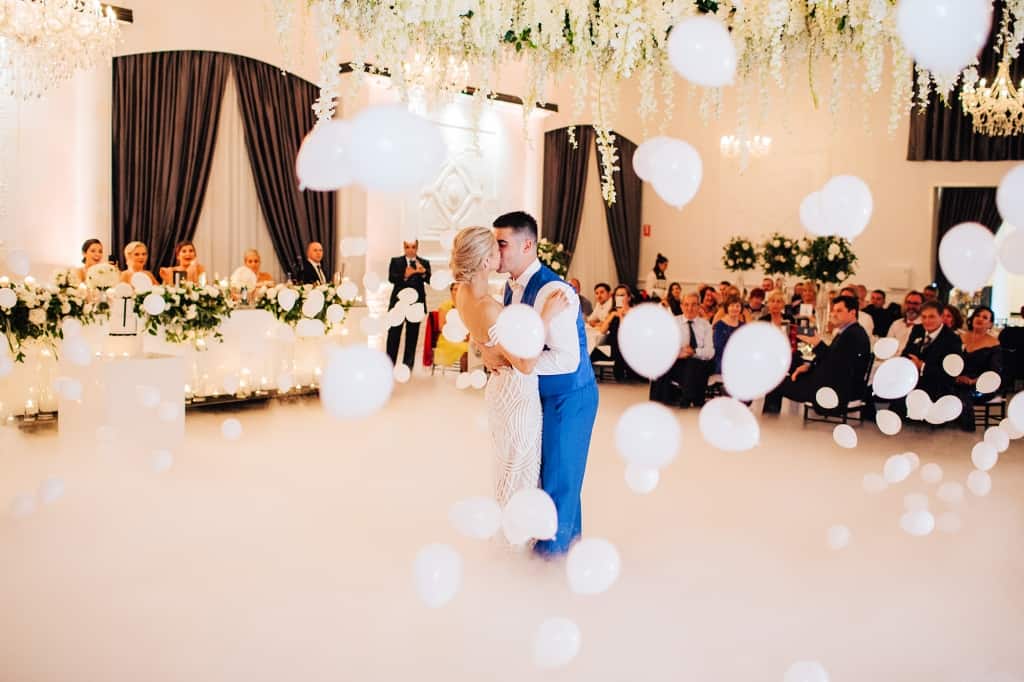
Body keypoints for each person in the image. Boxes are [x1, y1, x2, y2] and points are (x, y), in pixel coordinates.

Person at [482, 211, 599, 557]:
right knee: (547, 473)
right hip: (538, 396)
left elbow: (568, 360)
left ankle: (552, 557)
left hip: (569, 396)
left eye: (502, 244)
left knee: (561, 479)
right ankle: (565, 543)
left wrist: (515, 363)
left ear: (527, 244)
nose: (496, 252)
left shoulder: (554, 290)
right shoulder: (510, 287)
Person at [450, 226, 568, 513]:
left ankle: (509, 535)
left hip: (498, 389)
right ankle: (515, 541)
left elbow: (477, 332)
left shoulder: (460, 292)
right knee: (519, 472)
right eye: (495, 250)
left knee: (507, 467)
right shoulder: (489, 307)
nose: (501, 254)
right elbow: (525, 363)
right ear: (485, 262)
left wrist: (485, 347)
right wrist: (546, 316)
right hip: (516, 394)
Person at [763, 295, 871, 414]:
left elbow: (838, 365)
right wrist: (809, 367)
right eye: (833, 311)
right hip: (828, 383)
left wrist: (817, 344)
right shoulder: (849, 332)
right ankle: (770, 419)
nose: (833, 314)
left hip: (833, 391)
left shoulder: (853, 335)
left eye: (839, 311)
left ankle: (769, 421)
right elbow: (833, 359)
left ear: (852, 313)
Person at [896, 301, 963, 413]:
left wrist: (922, 366)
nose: (927, 321)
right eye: (924, 317)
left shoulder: (952, 339)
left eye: (932, 317)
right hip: (914, 380)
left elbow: (950, 373)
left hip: (937, 385)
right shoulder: (917, 330)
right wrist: (911, 363)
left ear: (941, 317)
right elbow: (906, 353)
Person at [650, 293, 715, 407]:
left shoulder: (705, 325)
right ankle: (660, 400)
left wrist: (694, 352)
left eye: (694, 305)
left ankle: (686, 398)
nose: (689, 308)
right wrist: (677, 354)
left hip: (700, 362)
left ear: (699, 306)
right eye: (686, 305)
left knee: (692, 363)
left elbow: (710, 352)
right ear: (681, 306)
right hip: (677, 360)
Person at [386, 240, 432, 371]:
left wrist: (423, 272)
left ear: (417, 248)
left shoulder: (424, 262)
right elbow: (391, 278)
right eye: (407, 247)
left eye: (413, 247)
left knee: (412, 338)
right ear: (403, 247)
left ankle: (407, 368)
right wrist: (405, 275)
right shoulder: (396, 261)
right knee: (393, 336)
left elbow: (429, 279)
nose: (410, 250)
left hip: (416, 306)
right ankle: (389, 367)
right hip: (398, 305)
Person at [956, 306, 1002, 432]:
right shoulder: (960, 337)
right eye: (977, 315)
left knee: (964, 393)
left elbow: (994, 372)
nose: (980, 319)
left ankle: (967, 429)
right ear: (972, 319)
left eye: (985, 317)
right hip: (958, 379)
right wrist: (957, 377)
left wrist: (972, 381)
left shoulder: (994, 344)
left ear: (990, 324)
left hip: (981, 384)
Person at [593, 285, 641, 382]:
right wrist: (612, 315)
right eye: (617, 295)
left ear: (629, 297)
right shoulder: (612, 312)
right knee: (591, 352)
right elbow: (602, 330)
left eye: (622, 295)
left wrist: (622, 316)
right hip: (613, 347)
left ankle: (626, 373)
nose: (619, 298)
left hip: (627, 346)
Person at [434, 283, 470, 371]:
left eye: (459, 289)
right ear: (451, 291)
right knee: (465, 350)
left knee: (474, 348)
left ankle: (469, 374)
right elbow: (441, 327)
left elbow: (470, 325)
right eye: (455, 289)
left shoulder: (467, 306)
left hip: (464, 338)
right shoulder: (445, 306)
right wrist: (456, 336)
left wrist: (468, 335)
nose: (457, 291)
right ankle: (464, 375)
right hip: (448, 338)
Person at [712, 294, 745, 374]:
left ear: (741, 309)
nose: (735, 308)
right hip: (723, 358)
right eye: (732, 306)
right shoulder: (719, 325)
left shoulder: (743, 326)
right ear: (727, 308)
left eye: (738, 306)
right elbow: (718, 346)